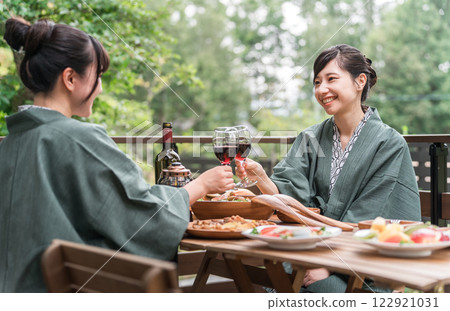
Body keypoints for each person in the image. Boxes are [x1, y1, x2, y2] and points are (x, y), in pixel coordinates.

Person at [0, 17, 235, 293]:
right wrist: (201, 185)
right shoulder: (79, 139)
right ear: (70, 78)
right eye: (97, 75)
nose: (100, 88)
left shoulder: (11, 144)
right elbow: (143, 217)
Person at [237, 44, 421, 293]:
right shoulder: (310, 137)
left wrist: (327, 264)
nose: (322, 89)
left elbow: (372, 219)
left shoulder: (389, 144)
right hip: (307, 256)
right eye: (316, 82)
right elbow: (288, 200)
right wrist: (259, 177)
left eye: (331, 79)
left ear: (360, 81)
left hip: (361, 270)